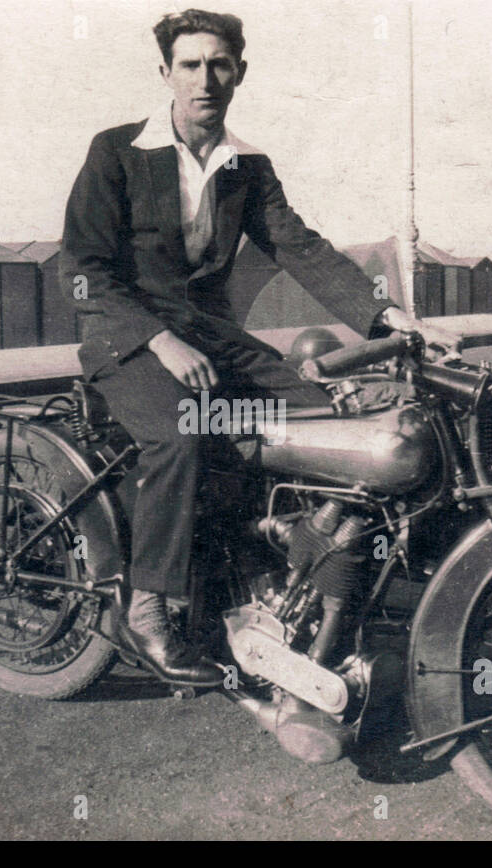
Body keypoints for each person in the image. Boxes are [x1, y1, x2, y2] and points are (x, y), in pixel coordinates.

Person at [59, 9, 416, 685]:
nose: (205, 79)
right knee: (182, 436)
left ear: (239, 73)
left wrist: (388, 315)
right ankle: (149, 609)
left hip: (212, 339)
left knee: (325, 419)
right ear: (165, 74)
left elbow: (299, 247)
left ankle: (294, 574)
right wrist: (159, 339)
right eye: (190, 65)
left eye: (219, 64)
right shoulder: (116, 152)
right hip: (124, 338)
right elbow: (82, 269)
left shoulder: (246, 166)